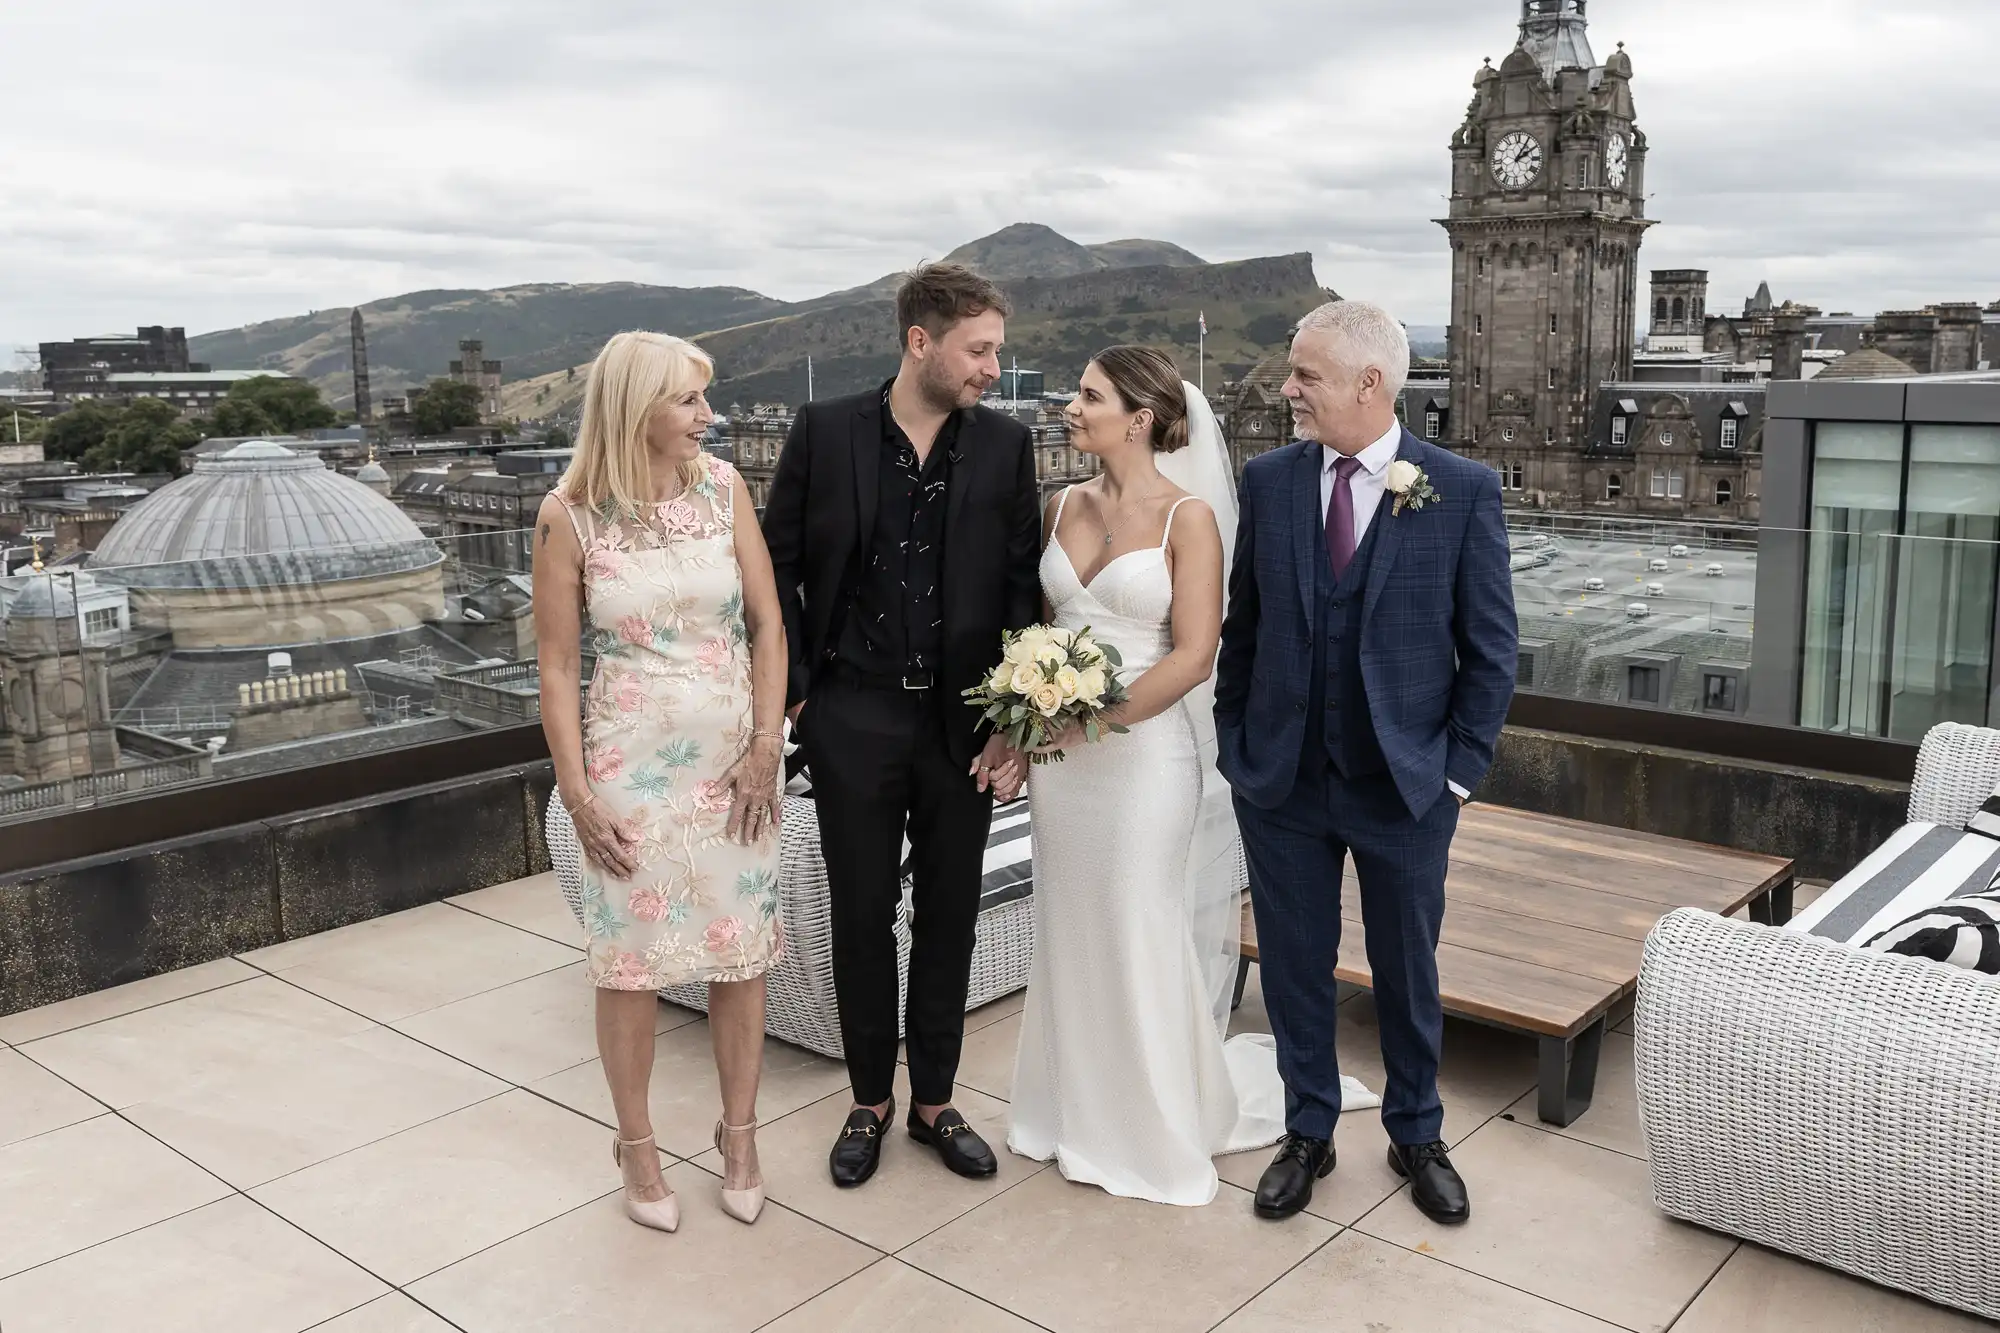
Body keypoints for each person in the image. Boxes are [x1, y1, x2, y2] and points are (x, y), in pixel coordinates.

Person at [1215, 300, 1516, 1223]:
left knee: (1406, 966)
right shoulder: (1266, 482)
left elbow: (1493, 651)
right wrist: (1238, 744)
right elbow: (1246, 628)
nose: (1288, 389)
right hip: (1283, 784)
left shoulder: (1461, 489)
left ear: (1368, 384)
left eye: (1305, 374)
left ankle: (1416, 1129)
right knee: (1295, 966)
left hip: (1407, 787)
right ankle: (1307, 1128)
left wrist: (1455, 776)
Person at [762, 263, 1041, 1188]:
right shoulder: (823, 429)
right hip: (853, 717)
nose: (991, 368)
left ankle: (935, 1103)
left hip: (964, 723)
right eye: (978, 349)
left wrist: (1012, 719)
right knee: (860, 916)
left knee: (951, 914)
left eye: (995, 349)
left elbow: (1018, 591)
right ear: (920, 343)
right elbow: (776, 567)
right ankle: (868, 1102)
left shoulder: (1006, 446)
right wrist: (804, 693)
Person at [1007, 346, 1304, 1206]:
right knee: (1071, 922)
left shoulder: (1190, 520)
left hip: (1143, 761)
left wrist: (1094, 717)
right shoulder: (1058, 501)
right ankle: (1068, 1110)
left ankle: (1147, 1130)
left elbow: (1196, 652)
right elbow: (1037, 624)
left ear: (1138, 418)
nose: (1070, 405)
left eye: (1088, 394)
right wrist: (1032, 720)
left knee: (1136, 920)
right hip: (1062, 761)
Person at [534, 331, 789, 1232]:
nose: (706, 416)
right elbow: (559, 666)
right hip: (626, 773)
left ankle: (742, 1136)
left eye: (704, 400)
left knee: (741, 954)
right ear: (633, 405)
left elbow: (767, 625)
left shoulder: (726, 490)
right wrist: (576, 789)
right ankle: (636, 1147)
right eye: (687, 399)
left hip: (736, 767)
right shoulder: (568, 514)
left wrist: (768, 743)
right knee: (629, 966)